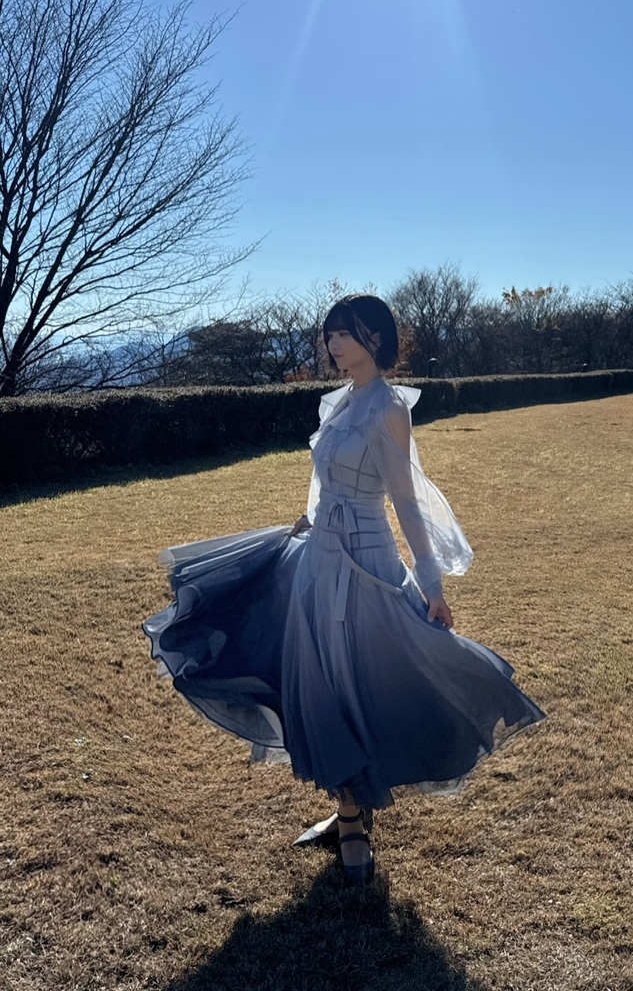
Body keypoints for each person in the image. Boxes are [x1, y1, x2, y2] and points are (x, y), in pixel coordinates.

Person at [143, 294, 544, 883]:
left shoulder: (389, 407)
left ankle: (353, 819)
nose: (333, 344)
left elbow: (406, 500)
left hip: (366, 563)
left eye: (345, 334)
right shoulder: (337, 403)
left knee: (364, 682)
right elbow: (327, 480)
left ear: (374, 339)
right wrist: (309, 519)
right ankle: (349, 812)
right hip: (318, 558)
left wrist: (431, 583)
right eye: (329, 334)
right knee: (321, 682)